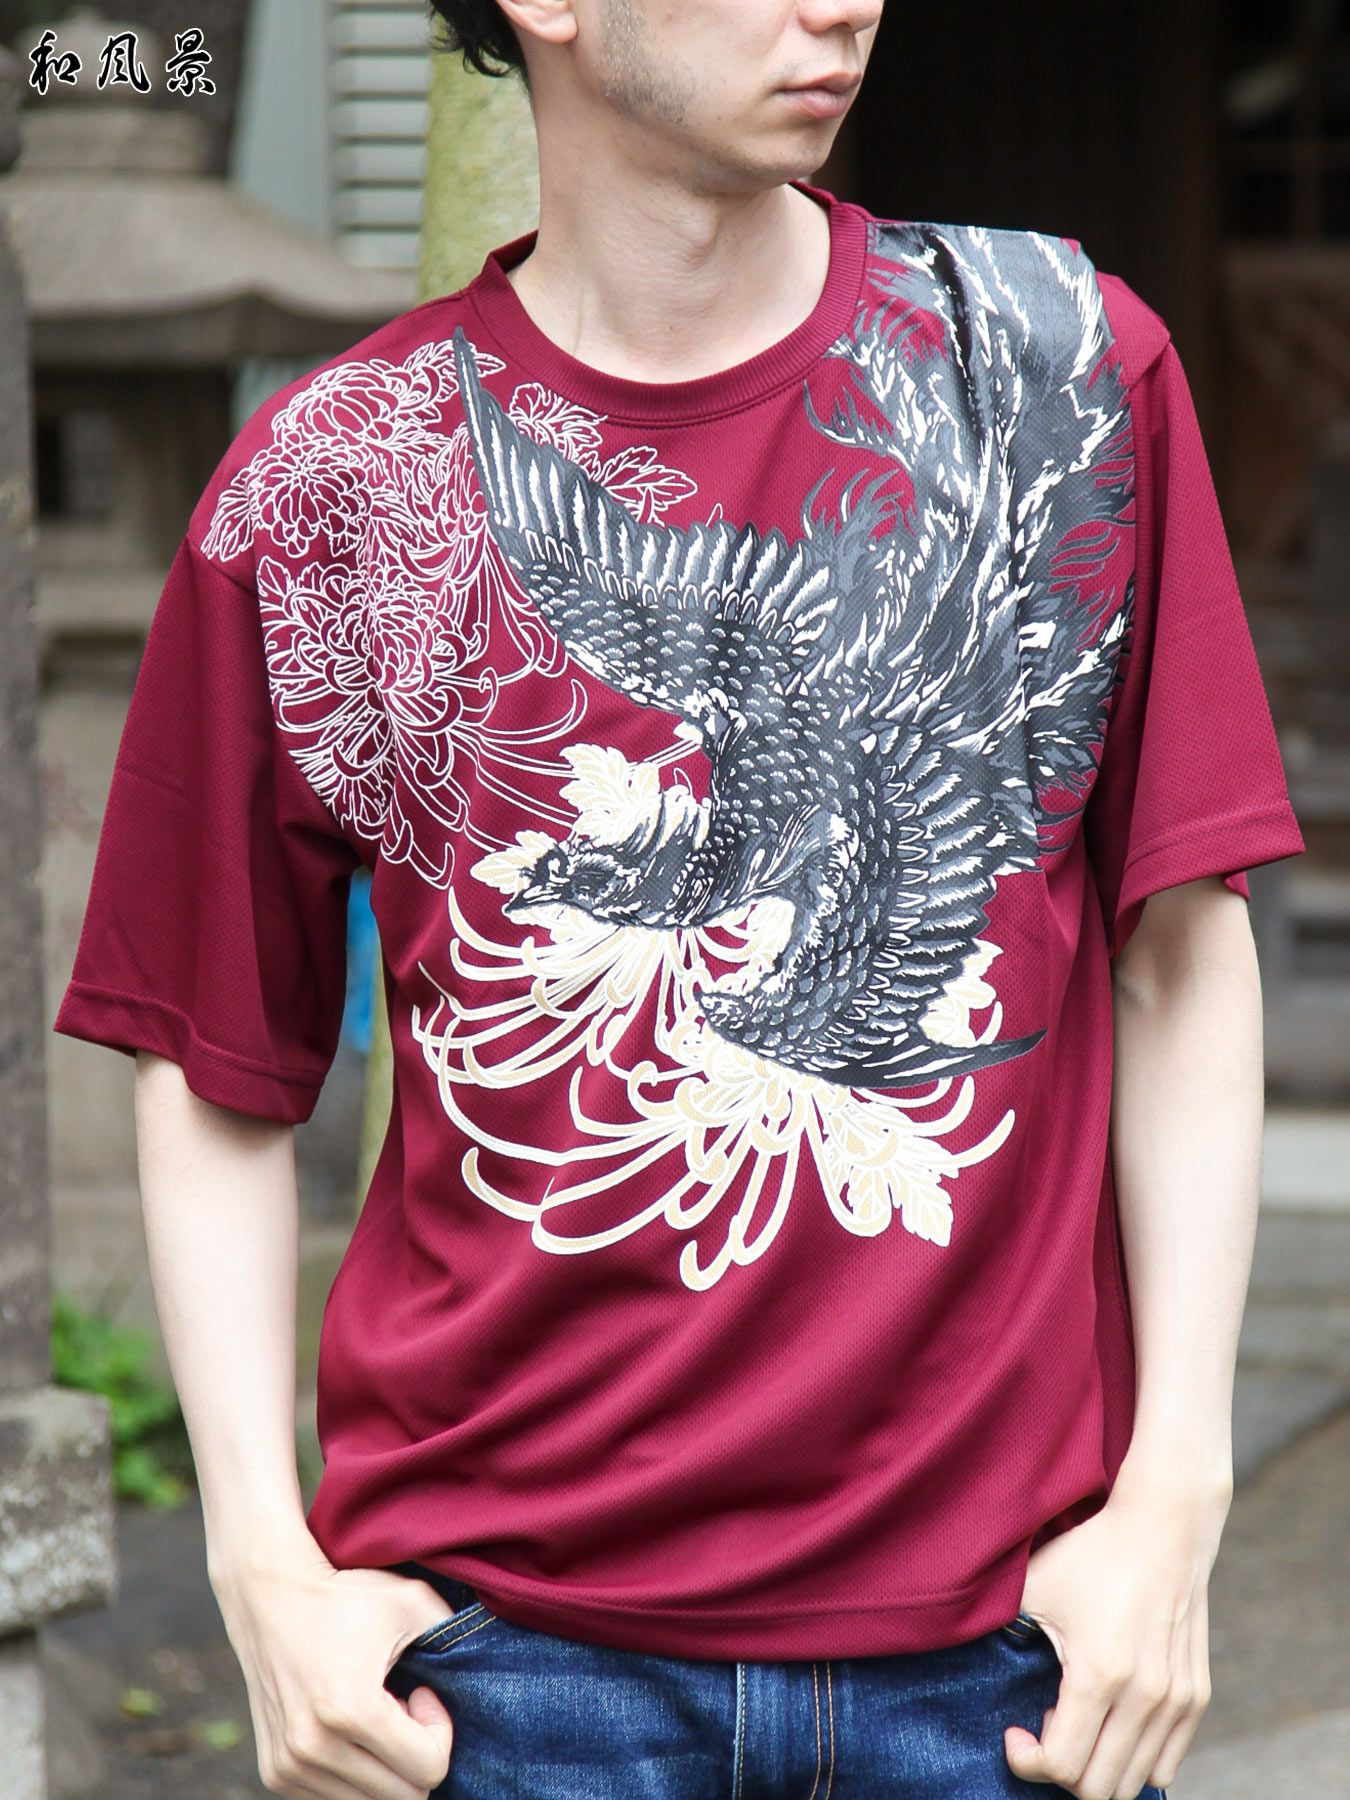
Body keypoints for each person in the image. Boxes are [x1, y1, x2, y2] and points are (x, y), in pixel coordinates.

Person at [51, 0, 1307, 1795]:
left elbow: (1178, 949)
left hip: (1004, 1675)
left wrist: (1174, 1499)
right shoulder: (341, 484)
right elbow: (213, 1063)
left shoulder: (1052, 365)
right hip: (501, 1681)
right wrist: (261, 1563)